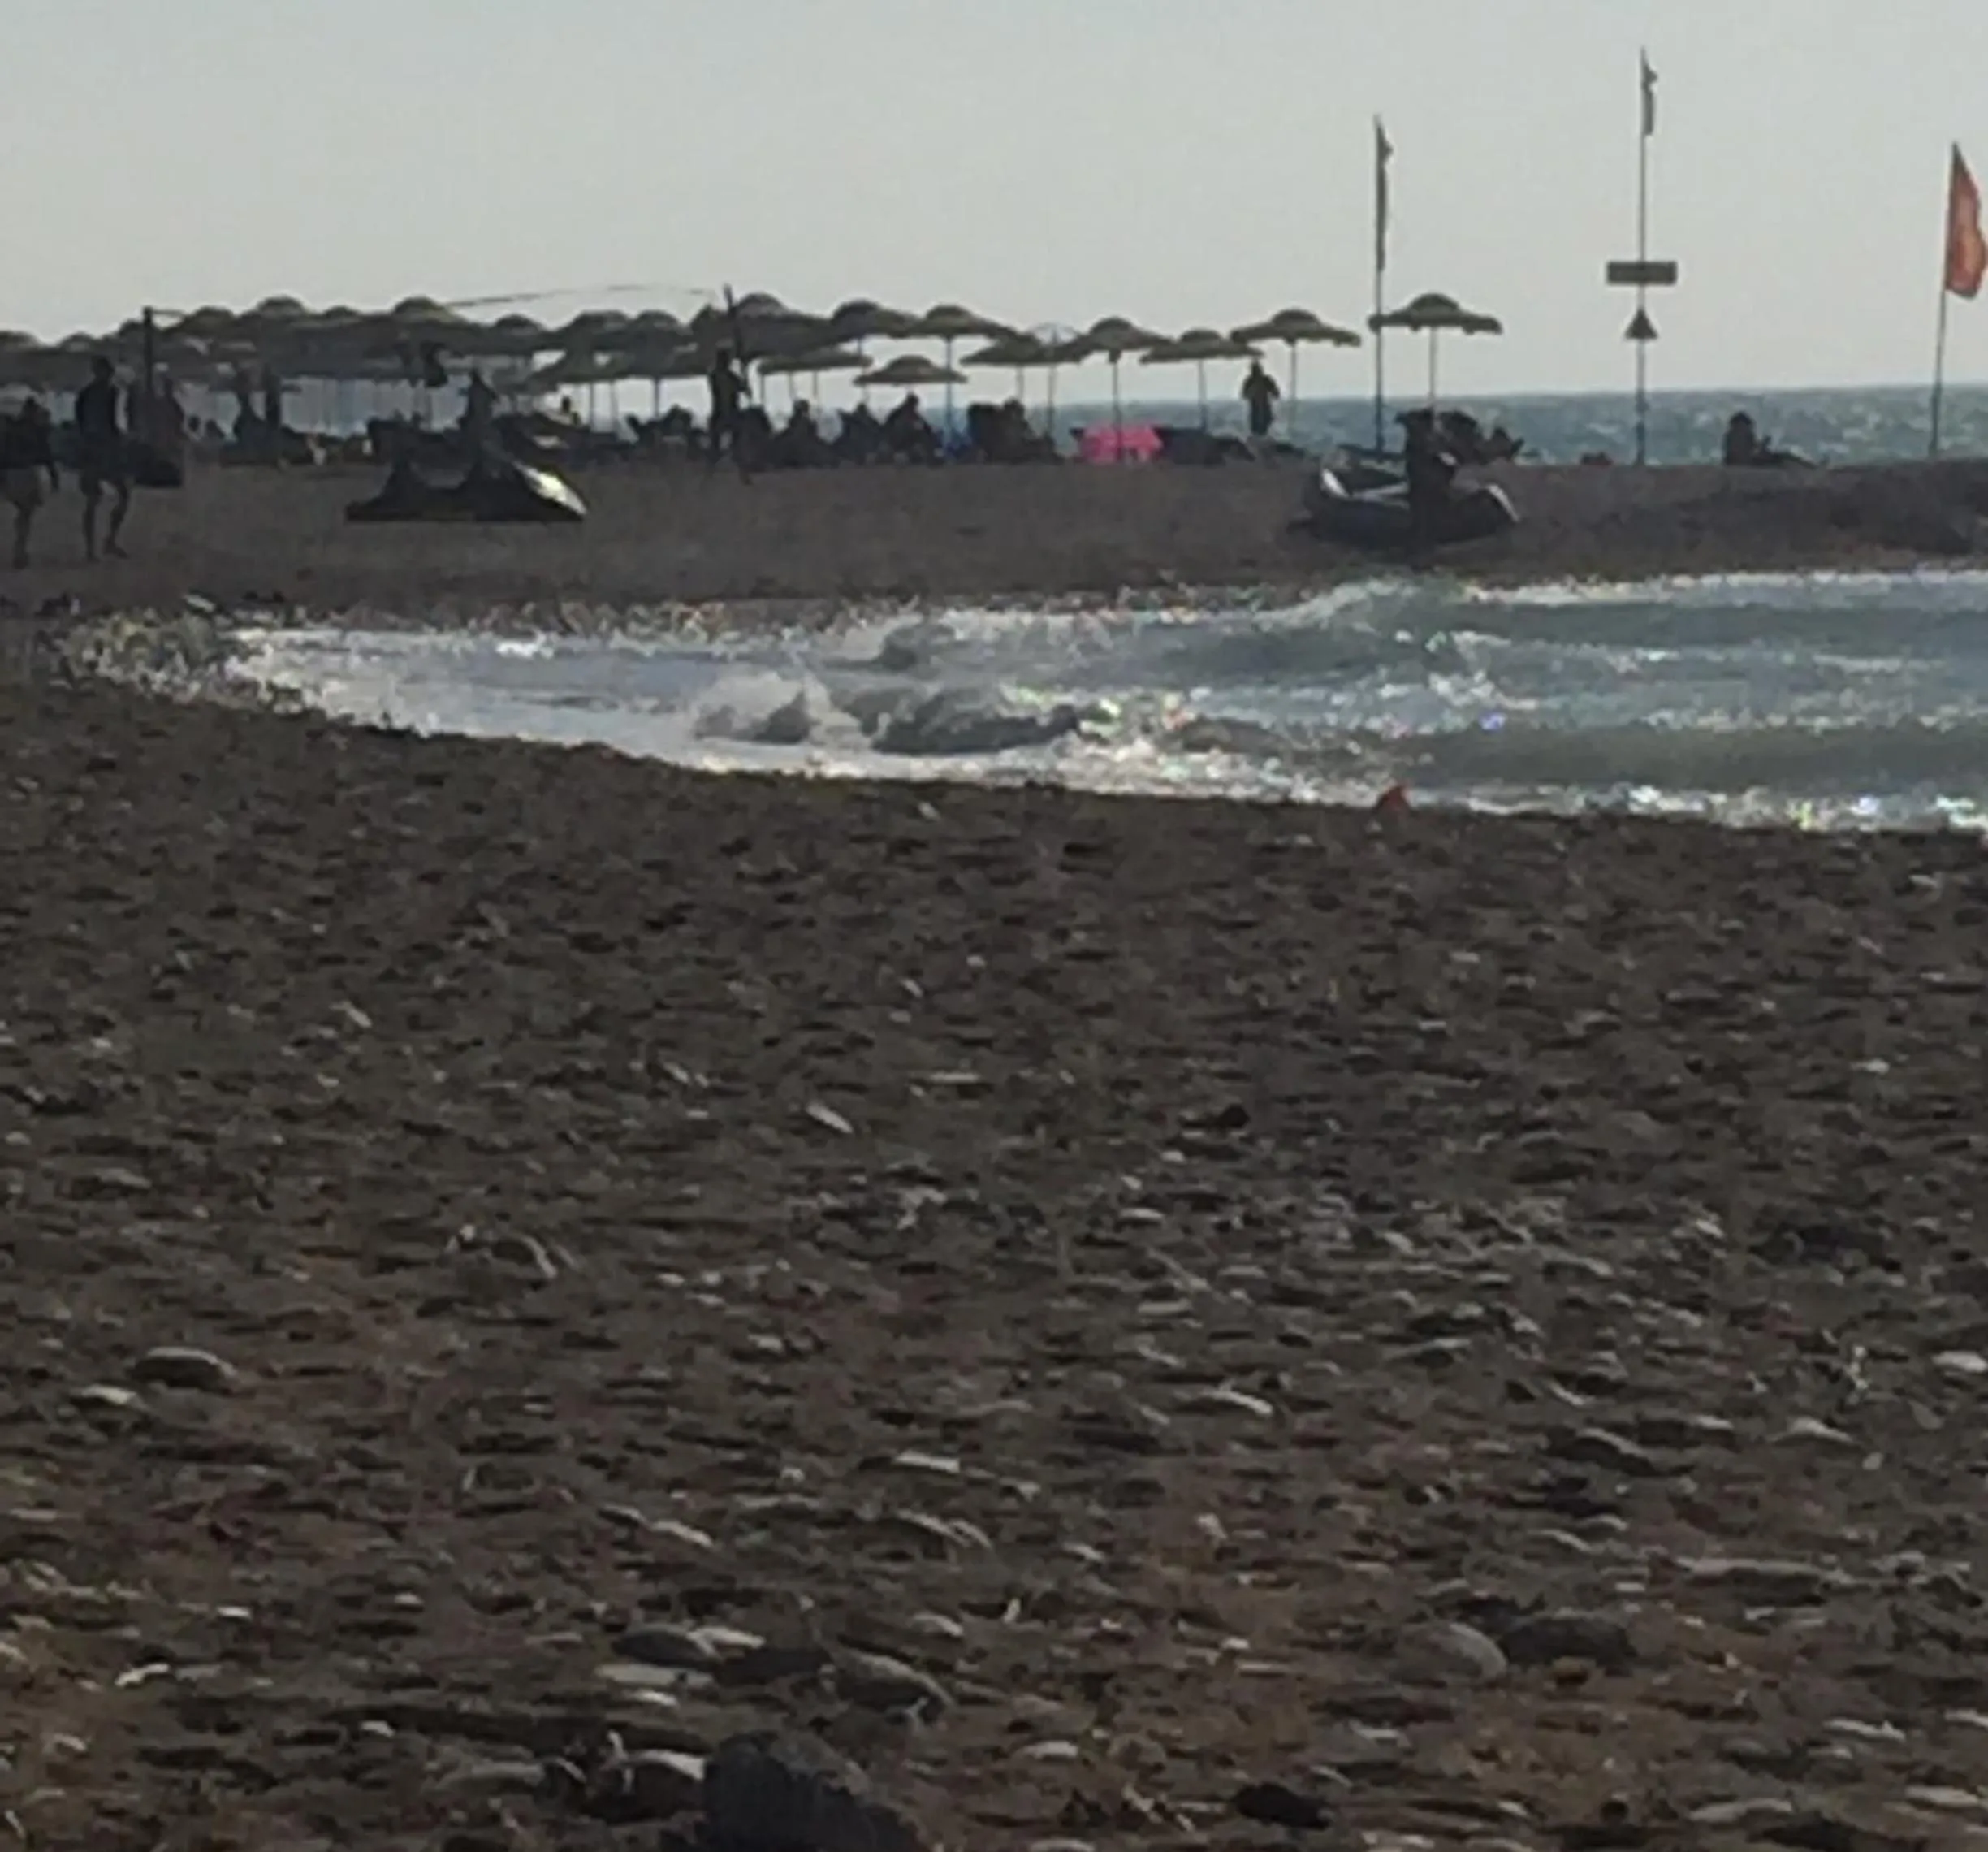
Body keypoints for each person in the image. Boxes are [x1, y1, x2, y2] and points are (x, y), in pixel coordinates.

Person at [74, 356, 131, 561]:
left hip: (100, 449)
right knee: (96, 499)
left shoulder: (95, 394)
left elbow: (82, 424)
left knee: (111, 497)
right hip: (98, 450)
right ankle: (97, 546)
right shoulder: (100, 394)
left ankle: (104, 543)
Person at [0, 396, 59, 569]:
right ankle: (20, 548)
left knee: (23, 511)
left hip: (12, 472)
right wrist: (54, 477)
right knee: (26, 513)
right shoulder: (37, 430)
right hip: (28, 472)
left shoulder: (11, 430)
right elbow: (46, 455)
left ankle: (20, 548)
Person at [1400, 408, 1457, 557]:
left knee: (1424, 521)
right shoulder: (1420, 442)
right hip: (1423, 488)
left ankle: (1424, 550)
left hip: (1428, 489)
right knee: (1422, 521)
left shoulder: (1424, 442)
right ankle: (1422, 549)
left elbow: (1444, 465)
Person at [706, 346, 751, 479]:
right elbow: (734, 391)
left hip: (726, 412)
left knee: (734, 444)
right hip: (724, 412)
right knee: (720, 444)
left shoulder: (727, 376)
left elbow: (744, 390)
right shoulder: (721, 376)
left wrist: (743, 381)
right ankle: (712, 472)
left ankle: (742, 473)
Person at [1242, 360, 1281, 441]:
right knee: (1256, 426)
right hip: (1256, 406)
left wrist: (1273, 393)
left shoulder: (1265, 380)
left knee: (1264, 423)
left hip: (1264, 405)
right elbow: (1244, 394)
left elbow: (1276, 392)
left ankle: (1262, 439)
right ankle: (1258, 439)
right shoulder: (1250, 381)